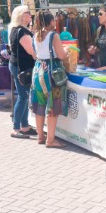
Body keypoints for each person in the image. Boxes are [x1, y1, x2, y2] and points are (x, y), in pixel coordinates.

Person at [31, 12, 69, 148]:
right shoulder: (54, 36)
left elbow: (34, 55)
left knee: (39, 105)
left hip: (38, 72)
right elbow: (61, 55)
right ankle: (50, 140)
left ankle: (40, 136)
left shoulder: (35, 36)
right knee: (52, 107)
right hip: (51, 74)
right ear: (51, 22)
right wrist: (67, 50)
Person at [7, 7, 36, 139]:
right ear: (21, 16)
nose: (30, 15)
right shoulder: (22, 32)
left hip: (18, 66)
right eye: (27, 13)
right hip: (22, 68)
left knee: (24, 96)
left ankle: (24, 125)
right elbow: (32, 52)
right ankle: (16, 127)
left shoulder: (15, 29)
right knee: (23, 96)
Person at [88, 5, 106, 71]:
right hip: (102, 68)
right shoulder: (99, 30)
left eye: (101, 14)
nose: (98, 16)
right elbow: (100, 48)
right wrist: (93, 51)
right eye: (98, 14)